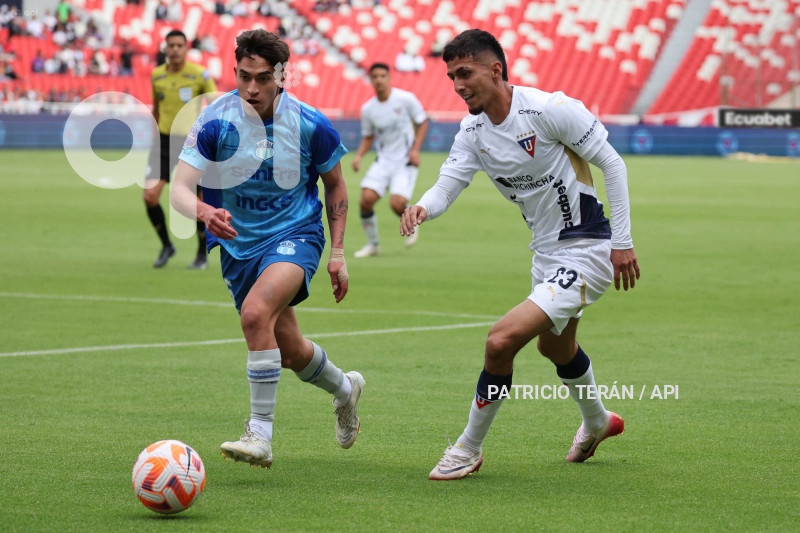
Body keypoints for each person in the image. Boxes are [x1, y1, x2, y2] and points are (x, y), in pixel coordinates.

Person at [400, 29, 640, 480]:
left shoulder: (550, 110)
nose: (458, 85)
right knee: (556, 347)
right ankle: (598, 421)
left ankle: (467, 448)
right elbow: (448, 183)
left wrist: (622, 243)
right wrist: (422, 208)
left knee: (500, 340)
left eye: (465, 73)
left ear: (496, 69)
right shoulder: (472, 131)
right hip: (546, 257)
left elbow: (613, 164)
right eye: (452, 76)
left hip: (587, 251)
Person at [170, 29, 364, 468]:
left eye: (262, 78)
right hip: (239, 247)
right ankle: (346, 389)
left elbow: (335, 186)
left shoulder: (310, 123)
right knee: (292, 350)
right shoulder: (213, 120)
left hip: (296, 235)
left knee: (255, 314)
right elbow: (179, 189)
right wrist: (203, 211)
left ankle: (260, 434)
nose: (252, 88)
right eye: (243, 76)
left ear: (281, 75)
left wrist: (337, 253)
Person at [145, 29, 217, 268]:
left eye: (179, 45)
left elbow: (216, 105)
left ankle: (201, 253)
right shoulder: (157, 75)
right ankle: (167, 245)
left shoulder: (199, 74)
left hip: (192, 142)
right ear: (165, 49)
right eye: (170, 45)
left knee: (198, 200)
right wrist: (155, 138)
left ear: (186, 49)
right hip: (164, 142)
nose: (174, 49)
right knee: (150, 196)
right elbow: (156, 108)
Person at [351, 63, 428, 257]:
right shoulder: (368, 109)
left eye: (382, 76)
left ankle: (412, 219)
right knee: (365, 200)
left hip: (404, 161)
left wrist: (416, 150)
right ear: (370, 79)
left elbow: (422, 122)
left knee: (396, 204)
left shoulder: (405, 99)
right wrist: (359, 156)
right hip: (383, 161)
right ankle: (373, 245)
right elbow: (368, 137)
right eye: (374, 76)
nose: (378, 80)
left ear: (389, 77)